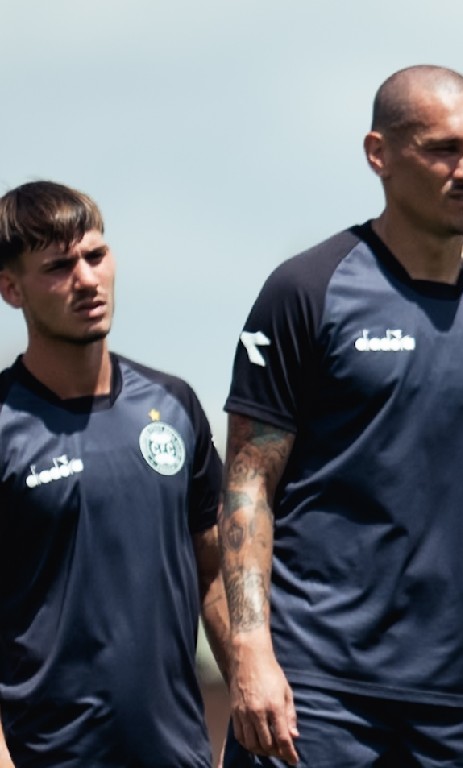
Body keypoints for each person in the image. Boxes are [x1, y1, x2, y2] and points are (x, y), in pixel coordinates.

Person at [220, 65, 463, 767]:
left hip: (457, 702)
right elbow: (247, 481)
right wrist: (251, 652)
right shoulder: (307, 290)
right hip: (315, 689)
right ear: (379, 154)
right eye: (443, 150)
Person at [0, 180, 229, 766]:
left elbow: (214, 574)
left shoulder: (174, 404)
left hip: (180, 753)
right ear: (10, 288)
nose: (86, 279)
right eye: (57, 266)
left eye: (95, 256)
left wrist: (253, 681)